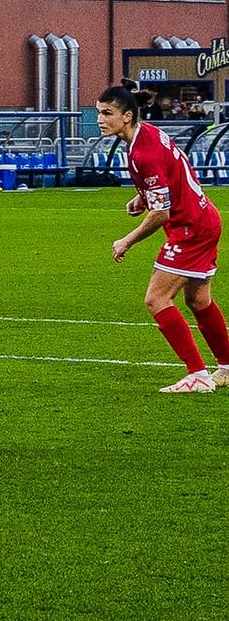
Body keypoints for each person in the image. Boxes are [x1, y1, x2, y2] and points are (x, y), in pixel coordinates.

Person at [98, 84, 229, 394]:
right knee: (198, 300)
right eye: (99, 113)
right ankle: (226, 367)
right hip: (204, 219)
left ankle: (197, 375)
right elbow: (172, 174)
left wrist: (127, 240)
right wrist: (142, 196)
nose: (101, 119)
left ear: (127, 116)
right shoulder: (146, 134)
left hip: (190, 229)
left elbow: (162, 213)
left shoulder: (145, 151)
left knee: (156, 299)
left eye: (107, 113)